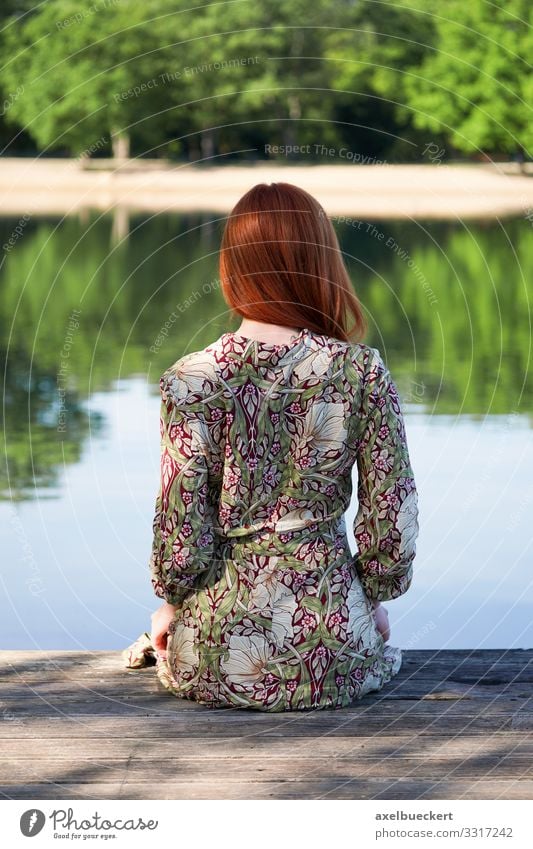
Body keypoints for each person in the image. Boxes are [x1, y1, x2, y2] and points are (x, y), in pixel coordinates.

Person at [124, 182, 419, 711]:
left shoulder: (191, 379)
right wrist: (370, 598)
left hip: (218, 652)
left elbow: (181, 527)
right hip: (334, 650)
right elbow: (391, 521)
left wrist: (170, 605)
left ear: (232, 268)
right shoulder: (360, 371)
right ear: (321, 262)